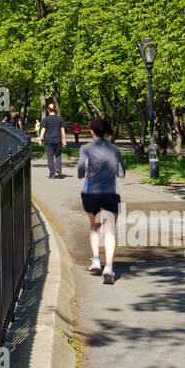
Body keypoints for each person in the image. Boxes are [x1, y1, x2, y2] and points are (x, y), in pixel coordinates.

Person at [78, 118, 125, 284]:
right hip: (110, 193)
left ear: (92, 131)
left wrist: (85, 173)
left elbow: (80, 170)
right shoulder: (114, 149)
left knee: (94, 226)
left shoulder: (86, 148)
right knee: (109, 231)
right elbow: (121, 173)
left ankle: (96, 260)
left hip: (90, 193)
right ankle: (109, 267)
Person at [38, 100, 67, 179]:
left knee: (50, 157)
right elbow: (62, 130)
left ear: (48, 110)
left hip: (48, 141)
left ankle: (52, 173)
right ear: (55, 110)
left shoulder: (46, 119)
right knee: (58, 155)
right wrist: (64, 140)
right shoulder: (60, 119)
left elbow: (43, 130)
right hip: (58, 140)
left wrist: (40, 139)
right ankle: (58, 167)